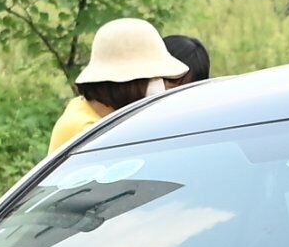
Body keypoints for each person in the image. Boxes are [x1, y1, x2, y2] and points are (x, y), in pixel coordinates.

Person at [45, 15, 185, 152]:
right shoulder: (90, 132)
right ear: (129, 83)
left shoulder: (90, 112)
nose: (159, 85)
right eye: (153, 78)